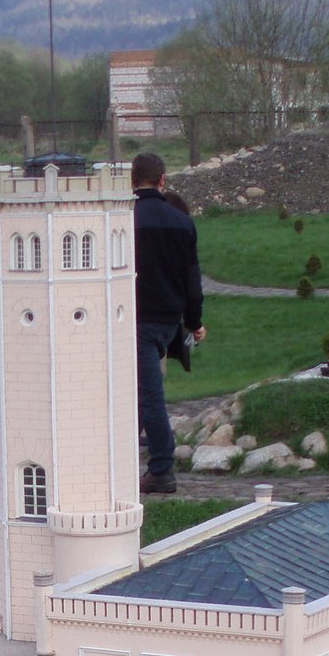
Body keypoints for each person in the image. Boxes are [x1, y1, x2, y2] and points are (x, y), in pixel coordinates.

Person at [132, 152, 205, 496]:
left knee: (149, 396)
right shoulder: (183, 223)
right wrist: (194, 322)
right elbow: (192, 280)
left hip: (134, 319)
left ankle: (161, 469)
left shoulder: (124, 218)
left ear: (132, 181)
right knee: (142, 393)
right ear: (162, 180)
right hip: (168, 322)